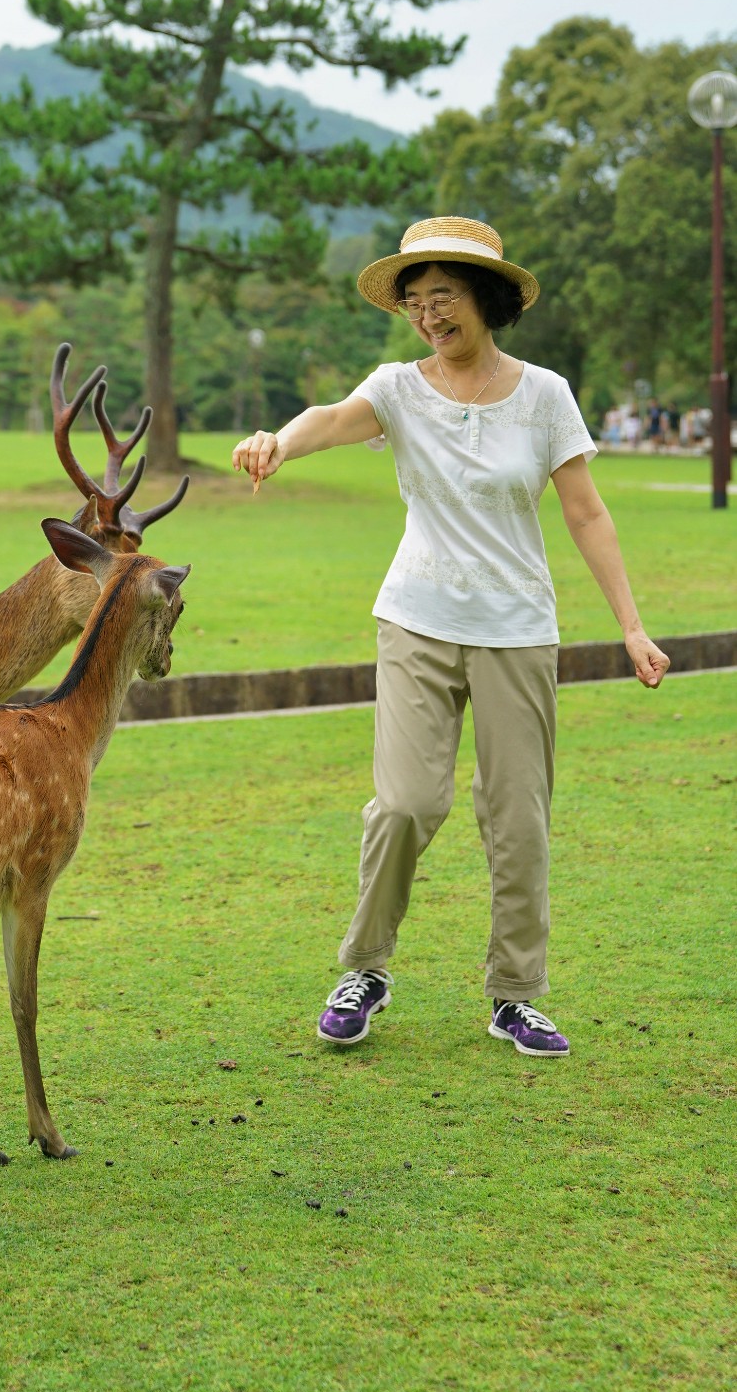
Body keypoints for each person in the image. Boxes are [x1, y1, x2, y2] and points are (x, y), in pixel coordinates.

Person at [233, 216, 670, 1062]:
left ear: (486, 299)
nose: (429, 315)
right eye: (416, 302)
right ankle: (363, 969)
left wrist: (630, 625)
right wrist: (275, 443)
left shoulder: (545, 395)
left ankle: (515, 995)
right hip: (416, 619)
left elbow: (584, 510)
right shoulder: (396, 389)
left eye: (444, 297)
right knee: (404, 803)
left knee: (517, 818)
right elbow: (326, 418)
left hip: (517, 630)